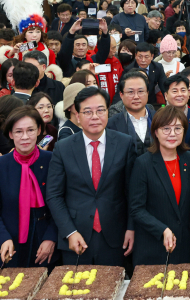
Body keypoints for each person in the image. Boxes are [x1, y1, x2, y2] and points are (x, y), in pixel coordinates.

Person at [47, 87, 137, 266]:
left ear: (107, 112)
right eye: (87, 112)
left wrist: (131, 227)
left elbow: (132, 191)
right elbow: (54, 195)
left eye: (100, 110)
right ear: (77, 116)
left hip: (115, 236)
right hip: (75, 237)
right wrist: (69, 232)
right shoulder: (63, 148)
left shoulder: (124, 143)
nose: (95, 116)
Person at [0, 106, 58, 268]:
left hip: (44, 246)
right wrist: (2, 238)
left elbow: (61, 202)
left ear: (39, 130)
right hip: (9, 245)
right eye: (18, 131)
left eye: (30, 130)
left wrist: (51, 237)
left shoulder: (52, 160)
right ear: (10, 134)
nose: (25, 137)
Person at [129, 106, 190, 265]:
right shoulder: (143, 163)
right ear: (155, 132)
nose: (172, 134)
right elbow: (136, 209)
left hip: (183, 245)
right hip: (152, 246)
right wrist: (162, 229)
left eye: (177, 128)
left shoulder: (189, 159)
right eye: (166, 129)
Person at [107, 71, 156, 156]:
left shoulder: (160, 119)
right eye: (130, 92)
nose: (136, 97)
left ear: (147, 93)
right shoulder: (111, 124)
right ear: (121, 95)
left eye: (140, 91)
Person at [163, 74, 190, 146]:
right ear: (166, 96)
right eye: (174, 91)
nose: (179, 94)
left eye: (183, 90)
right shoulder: (158, 117)